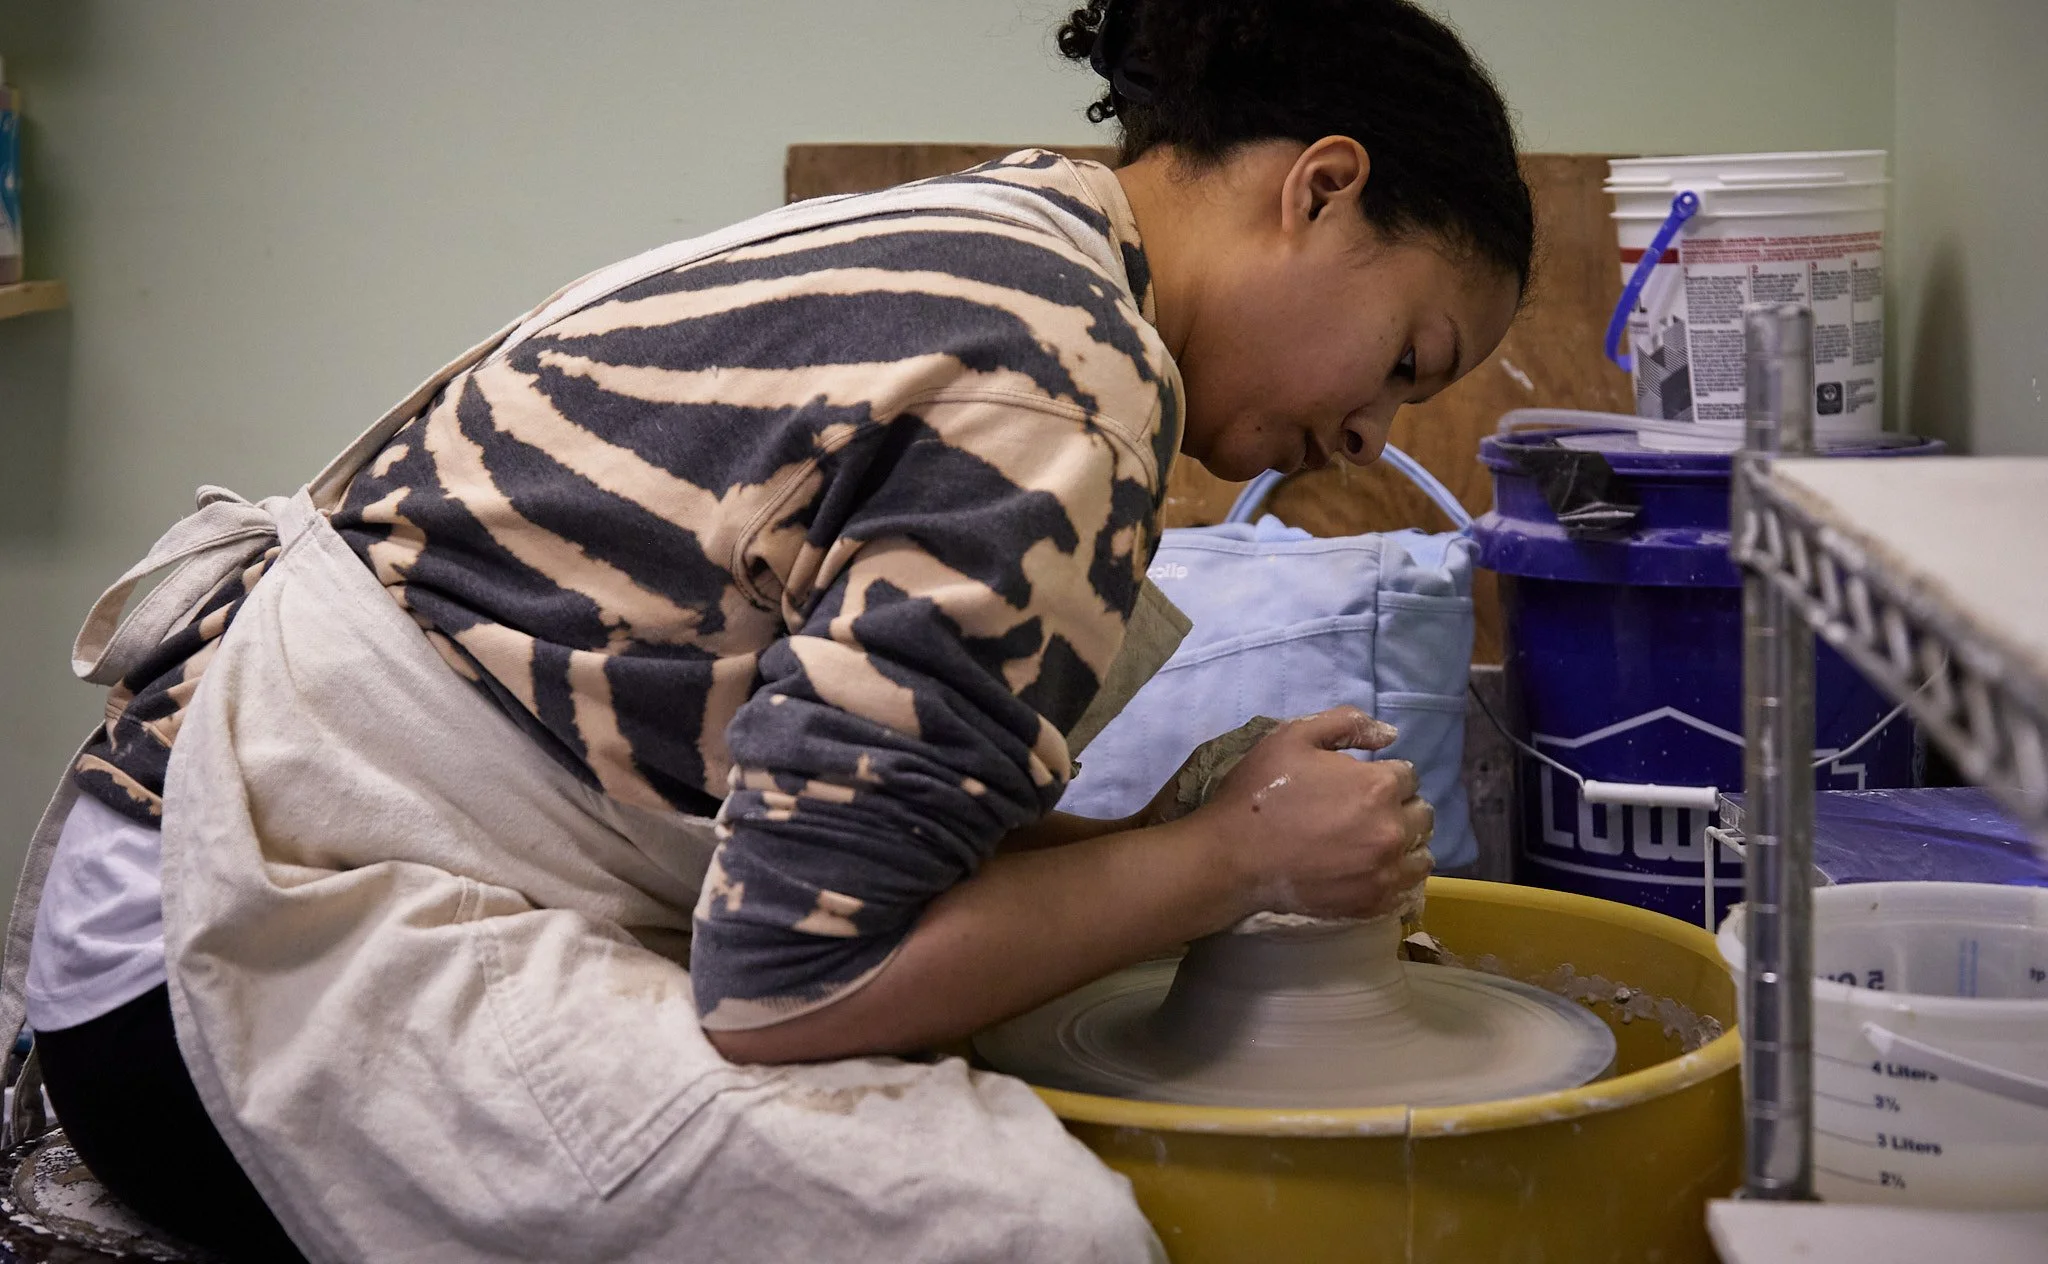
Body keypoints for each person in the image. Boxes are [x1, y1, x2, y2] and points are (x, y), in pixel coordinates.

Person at [7, 0, 1531, 1259]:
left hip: (218, 841)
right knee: (1024, 1231)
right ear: (1321, 187)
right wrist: (1233, 859)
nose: (1369, 434)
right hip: (216, 944)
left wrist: (1175, 842)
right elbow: (793, 987)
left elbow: (837, 846)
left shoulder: (1017, 232)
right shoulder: (1065, 386)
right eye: (1408, 357)